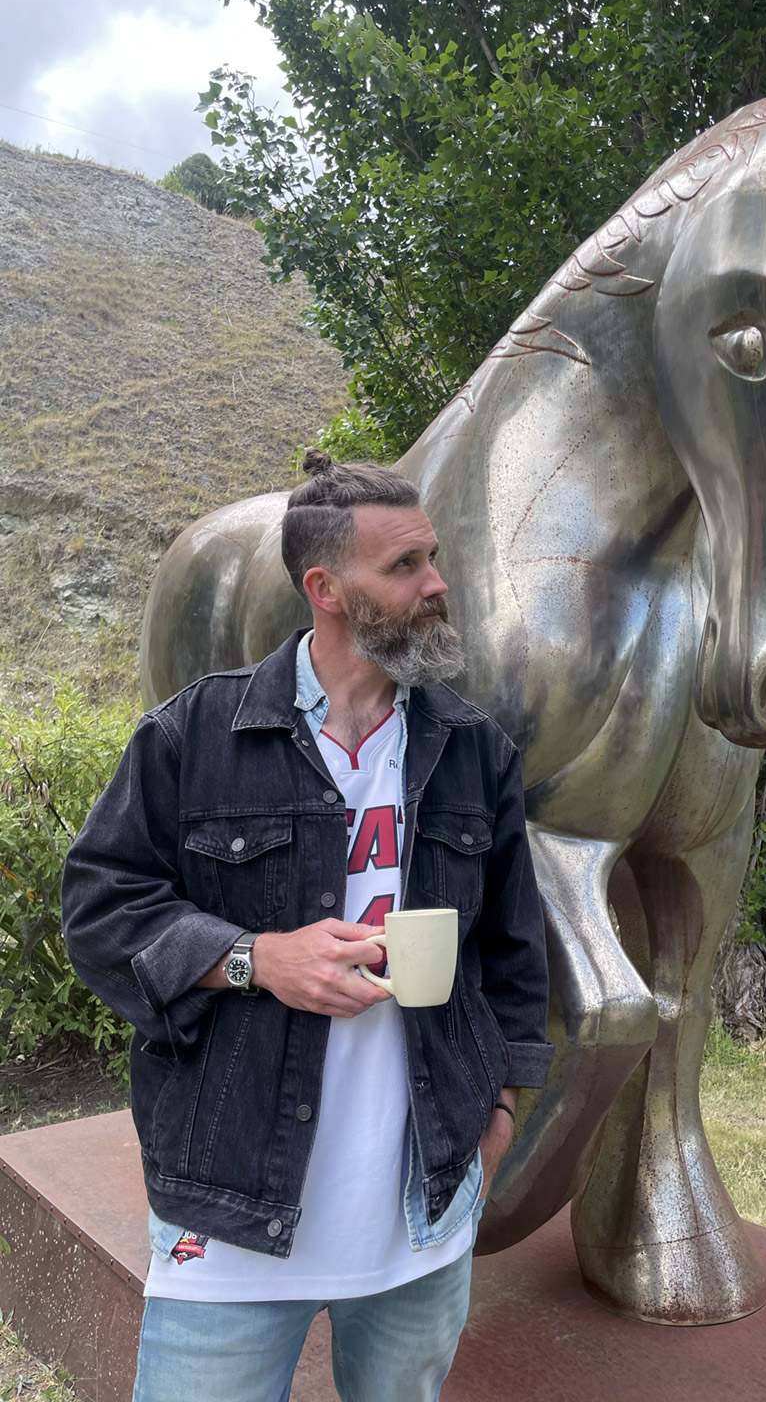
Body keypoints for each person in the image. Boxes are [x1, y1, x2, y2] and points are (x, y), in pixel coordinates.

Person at [62, 450, 552, 1402]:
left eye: (433, 558)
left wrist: (496, 1124)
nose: (437, 584)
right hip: (232, 1208)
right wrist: (253, 959)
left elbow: (512, 956)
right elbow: (99, 906)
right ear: (325, 589)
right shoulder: (194, 736)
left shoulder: (473, 751)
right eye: (404, 566)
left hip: (423, 1216)